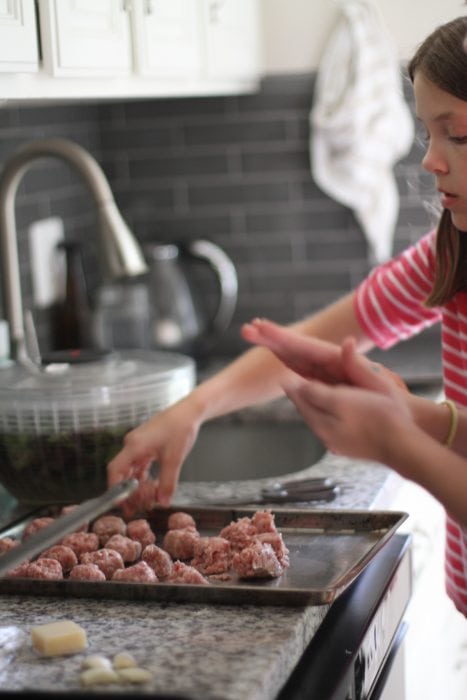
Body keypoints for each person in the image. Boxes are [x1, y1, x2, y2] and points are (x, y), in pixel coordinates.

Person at [107, 16, 467, 616]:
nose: (430, 160)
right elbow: (316, 340)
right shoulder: (450, 252)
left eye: (459, 136)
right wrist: (191, 410)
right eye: (427, 133)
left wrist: (397, 441)